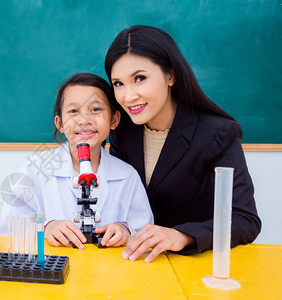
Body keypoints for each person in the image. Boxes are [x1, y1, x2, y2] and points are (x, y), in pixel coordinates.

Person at [104, 25, 261, 262]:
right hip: (132, 263)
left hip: (192, 266)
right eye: (118, 84)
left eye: (139, 78)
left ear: (171, 75)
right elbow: (118, 199)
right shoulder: (122, 131)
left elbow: (244, 219)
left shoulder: (218, 133)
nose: (128, 96)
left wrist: (182, 236)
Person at [2, 73, 153, 249]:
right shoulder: (34, 170)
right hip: (54, 269)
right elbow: (8, 229)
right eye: (73, 111)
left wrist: (125, 231)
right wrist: (46, 227)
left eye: (95, 109)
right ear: (60, 123)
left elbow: (145, 233)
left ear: (114, 119)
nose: (84, 120)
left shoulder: (127, 176)